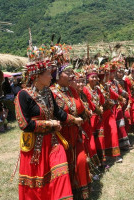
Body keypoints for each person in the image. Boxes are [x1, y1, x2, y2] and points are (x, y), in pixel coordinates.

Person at [15, 47, 84, 200]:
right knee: (38, 184)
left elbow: (58, 112)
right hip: (36, 147)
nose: (51, 76)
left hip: (52, 142)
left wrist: (74, 120)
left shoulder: (48, 93)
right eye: (48, 73)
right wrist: (49, 123)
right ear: (37, 76)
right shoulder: (23, 95)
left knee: (61, 172)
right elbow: (24, 124)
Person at [51, 64, 91, 199]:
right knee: (65, 166)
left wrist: (86, 113)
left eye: (72, 72)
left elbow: (80, 108)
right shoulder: (51, 93)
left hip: (76, 133)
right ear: (58, 75)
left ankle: (81, 193)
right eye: (68, 73)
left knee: (80, 161)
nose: (72, 76)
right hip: (61, 136)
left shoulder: (71, 91)